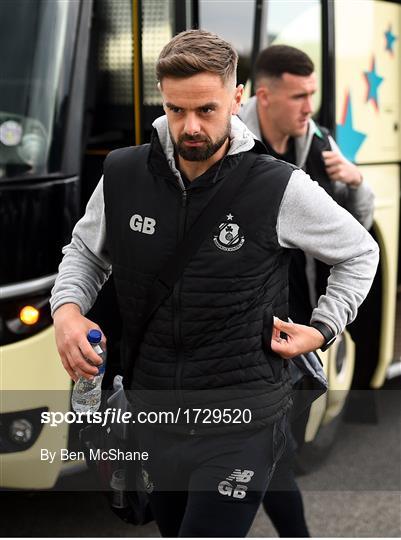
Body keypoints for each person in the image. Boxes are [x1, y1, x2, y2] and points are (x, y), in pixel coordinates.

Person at [51, 31, 379, 538]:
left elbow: (361, 251)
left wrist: (323, 326)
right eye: (176, 110)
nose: (191, 127)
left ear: (237, 97)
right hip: (155, 415)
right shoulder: (122, 174)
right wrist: (67, 311)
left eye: (206, 109)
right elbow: (86, 253)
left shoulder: (279, 185)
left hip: (243, 421)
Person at [239, 44, 375, 537]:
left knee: (276, 452)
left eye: (312, 94)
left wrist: (356, 183)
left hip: (294, 327)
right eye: (298, 96)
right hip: (241, 323)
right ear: (265, 96)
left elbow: (355, 238)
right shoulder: (230, 144)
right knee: (270, 455)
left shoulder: (316, 143)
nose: (308, 107)